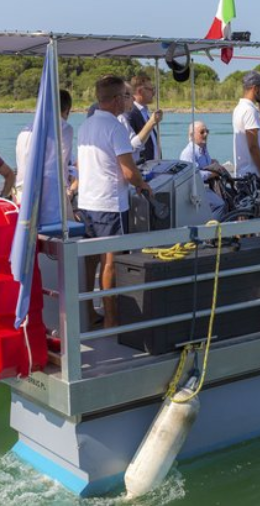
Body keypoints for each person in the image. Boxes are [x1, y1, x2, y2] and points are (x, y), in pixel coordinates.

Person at [77, 75, 152, 328]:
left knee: (89, 261)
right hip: (109, 203)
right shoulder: (116, 128)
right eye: (126, 96)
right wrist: (142, 184)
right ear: (117, 99)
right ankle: (111, 320)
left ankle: (88, 313)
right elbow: (129, 172)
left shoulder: (85, 126)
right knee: (110, 261)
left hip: (87, 202)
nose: (128, 100)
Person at [15, 89, 76, 224]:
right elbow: (60, 163)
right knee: (66, 228)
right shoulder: (63, 127)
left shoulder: (27, 128)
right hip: (48, 193)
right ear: (66, 110)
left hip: (22, 188)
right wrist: (68, 190)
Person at [179, 120, 226, 217]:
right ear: (192, 135)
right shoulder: (188, 152)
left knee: (229, 197)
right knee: (220, 205)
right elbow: (194, 175)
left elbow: (204, 165)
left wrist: (213, 162)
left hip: (205, 185)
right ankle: (210, 230)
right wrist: (212, 173)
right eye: (202, 132)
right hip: (194, 188)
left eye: (207, 131)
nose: (205, 134)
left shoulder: (203, 148)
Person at [232, 71, 260, 180]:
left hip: (245, 175)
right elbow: (253, 147)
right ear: (255, 89)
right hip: (252, 177)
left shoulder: (240, 108)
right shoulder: (249, 111)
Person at [126, 73, 162, 163]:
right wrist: (152, 122)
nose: (153, 93)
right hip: (142, 169)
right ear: (140, 91)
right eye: (151, 89)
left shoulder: (144, 112)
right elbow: (132, 146)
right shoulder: (130, 114)